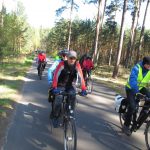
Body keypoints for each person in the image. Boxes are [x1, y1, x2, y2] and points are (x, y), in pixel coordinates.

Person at [50, 50, 87, 119]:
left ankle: (70, 113)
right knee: (58, 99)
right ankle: (55, 114)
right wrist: (54, 87)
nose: (72, 60)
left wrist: (83, 89)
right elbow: (56, 76)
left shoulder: (77, 65)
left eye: (74, 58)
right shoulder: (62, 64)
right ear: (67, 57)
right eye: (70, 58)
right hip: (60, 84)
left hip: (70, 85)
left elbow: (81, 77)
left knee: (73, 97)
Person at [123, 56, 150, 135]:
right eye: (149, 65)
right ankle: (126, 125)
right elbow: (133, 80)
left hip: (141, 88)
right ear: (145, 64)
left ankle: (139, 120)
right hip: (131, 88)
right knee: (132, 106)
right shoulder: (137, 68)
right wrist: (137, 93)